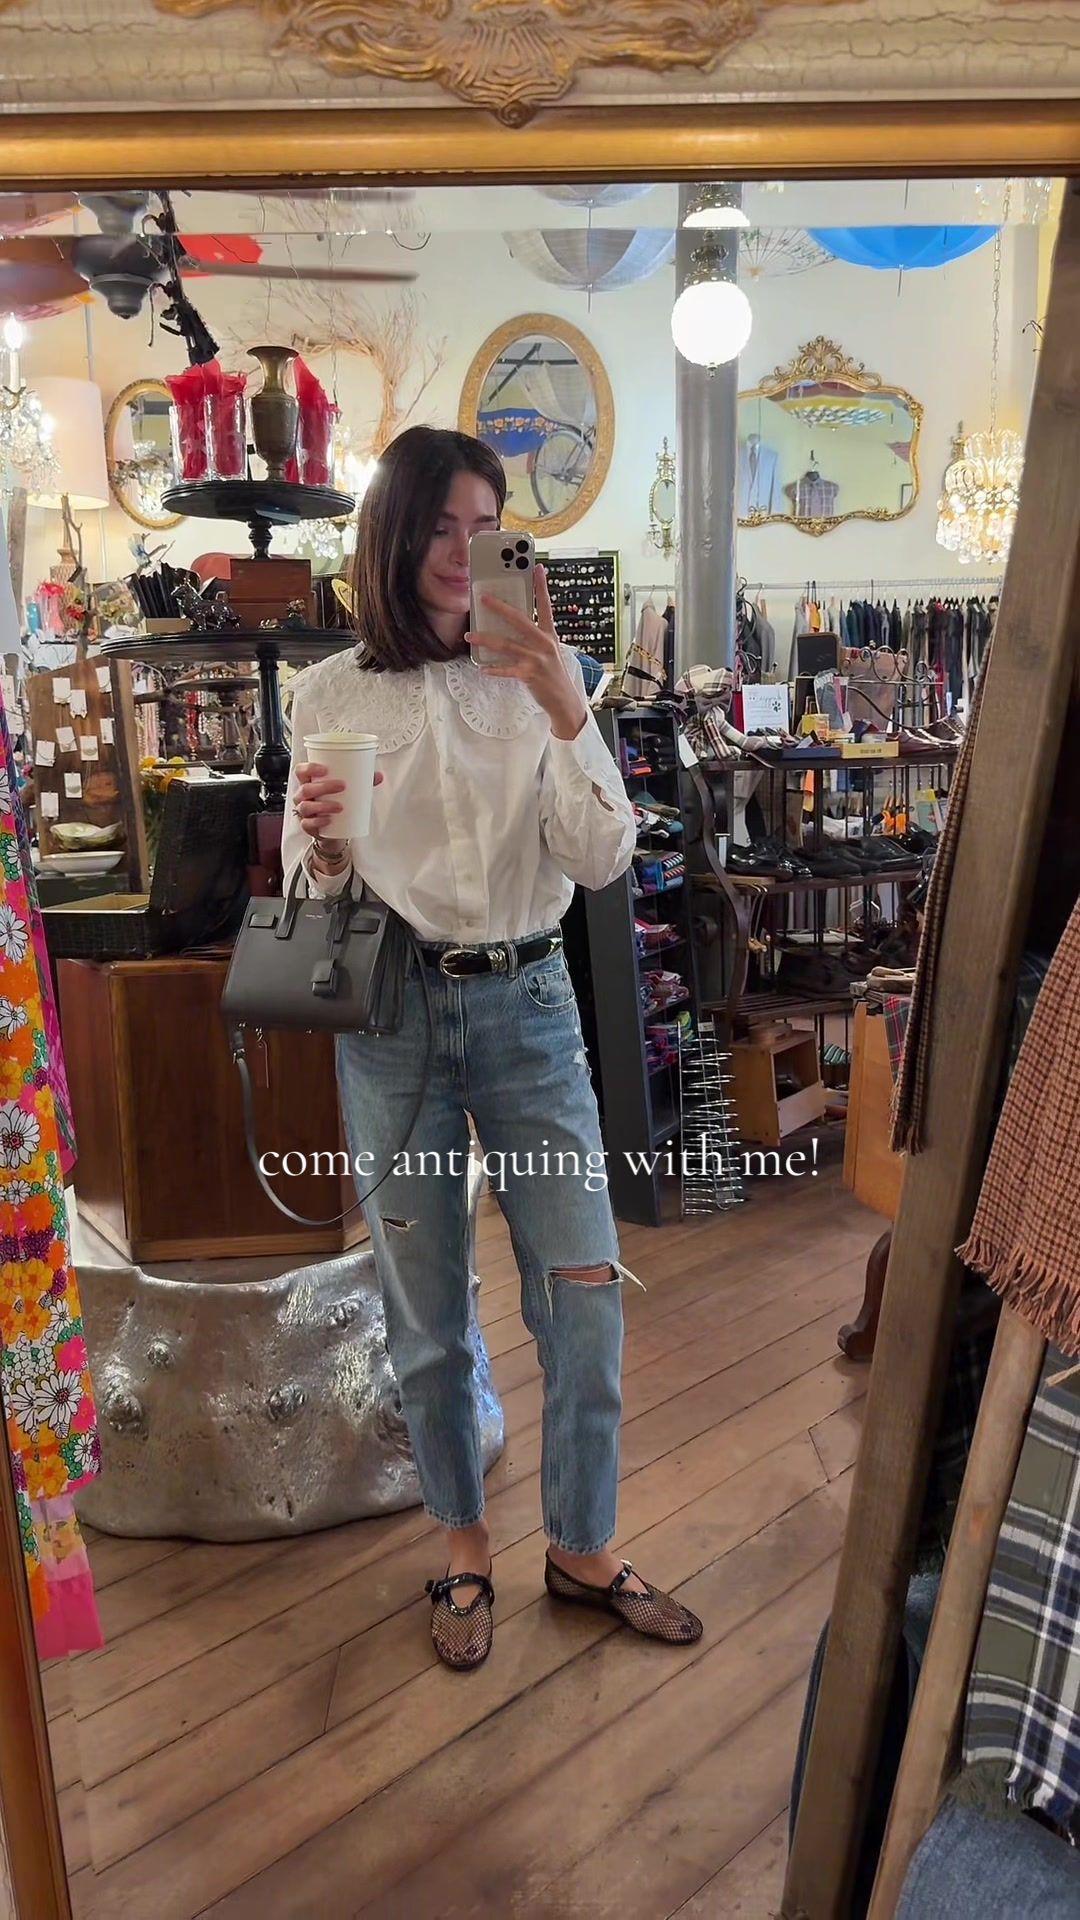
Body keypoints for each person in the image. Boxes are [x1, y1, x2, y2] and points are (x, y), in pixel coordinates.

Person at [283, 425, 703, 1671]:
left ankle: (581, 1546)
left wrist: (569, 710)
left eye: (486, 526)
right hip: (394, 1017)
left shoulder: (543, 677)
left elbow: (602, 858)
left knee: (584, 1290)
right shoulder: (329, 695)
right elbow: (319, 889)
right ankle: (462, 1543)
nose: (464, 551)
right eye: (439, 525)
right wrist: (323, 841)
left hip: (529, 1008)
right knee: (425, 1309)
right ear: (393, 535)